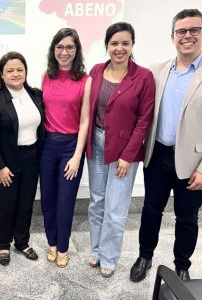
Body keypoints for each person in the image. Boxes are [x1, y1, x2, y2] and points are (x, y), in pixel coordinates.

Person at [130, 9, 202, 282]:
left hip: (193, 163)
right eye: (181, 31)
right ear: (172, 36)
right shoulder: (156, 71)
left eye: (194, 30)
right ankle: (144, 255)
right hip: (157, 154)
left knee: (187, 218)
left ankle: (182, 265)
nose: (187, 36)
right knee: (151, 209)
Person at [86, 22, 155, 278]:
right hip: (96, 142)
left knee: (115, 208)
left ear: (132, 45)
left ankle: (109, 256)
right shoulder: (96, 71)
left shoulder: (143, 76)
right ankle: (95, 249)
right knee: (96, 202)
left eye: (125, 43)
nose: (119, 48)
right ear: (107, 45)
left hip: (124, 150)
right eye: (114, 43)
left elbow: (144, 120)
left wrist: (127, 156)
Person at [0, 52, 45, 266]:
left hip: (31, 157)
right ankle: (3, 245)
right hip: (6, 161)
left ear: (25, 71)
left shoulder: (36, 95)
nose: (15, 74)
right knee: (6, 205)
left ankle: (22, 242)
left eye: (19, 69)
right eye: (10, 70)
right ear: (1, 74)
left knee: (26, 203)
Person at [40, 28, 91, 268]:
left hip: (71, 147)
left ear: (77, 50)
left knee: (66, 200)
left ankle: (63, 247)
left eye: (70, 47)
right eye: (59, 47)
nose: (64, 52)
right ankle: (51, 243)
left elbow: (85, 120)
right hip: (48, 146)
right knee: (48, 199)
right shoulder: (45, 76)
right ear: (53, 50)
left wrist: (77, 155)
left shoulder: (85, 79)